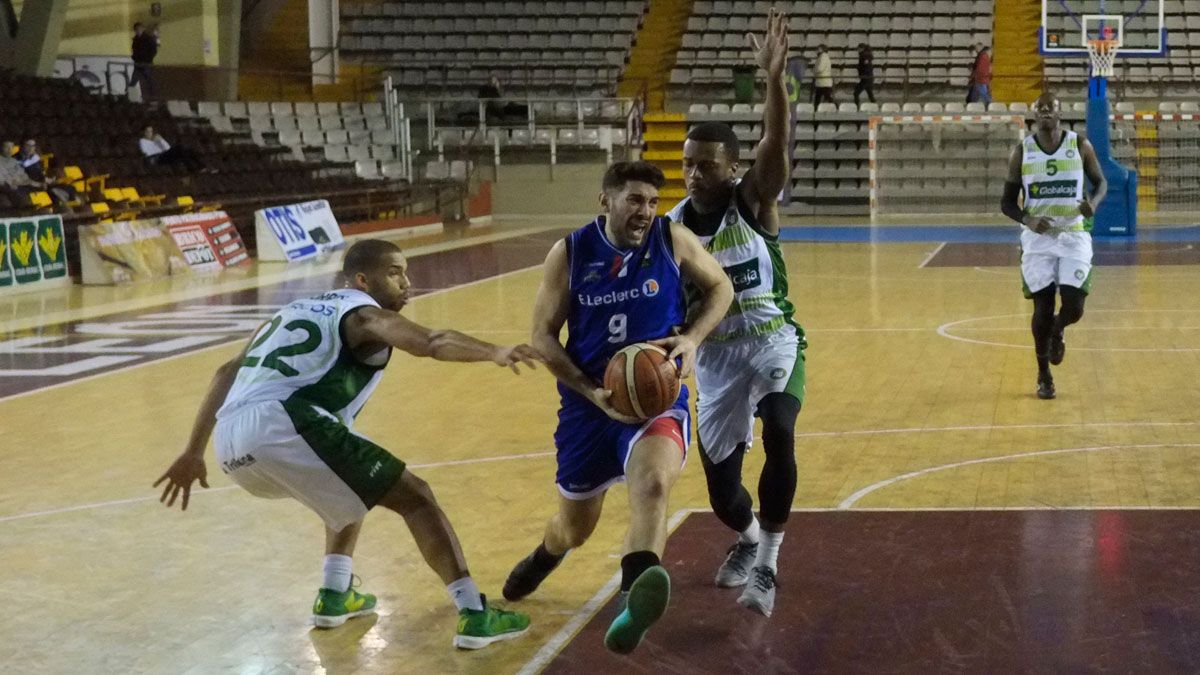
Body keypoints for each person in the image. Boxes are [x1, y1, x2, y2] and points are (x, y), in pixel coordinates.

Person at [153, 239, 540, 649]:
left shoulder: (290, 312)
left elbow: (225, 371)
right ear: (361, 280)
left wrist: (193, 451)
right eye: (395, 273)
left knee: (346, 484)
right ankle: (475, 615)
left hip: (231, 440)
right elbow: (431, 341)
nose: (407, 283)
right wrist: (493, 351)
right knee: (417, 497)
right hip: (283, 420)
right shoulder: (363, 315)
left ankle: (335, 594)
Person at [501, 161, 733, 654]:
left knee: (652, 483)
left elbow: (721, 286)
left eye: (652, 201)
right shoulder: (569, 252)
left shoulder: (672, 239)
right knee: (574, 529)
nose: (645, 211)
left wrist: (691, 338)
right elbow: (541, 336)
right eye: (634, 200)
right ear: (604, 201)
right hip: (588, 405)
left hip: (657, 396)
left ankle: (634, 597)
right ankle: (547, 554)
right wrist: (590, 392)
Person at [665, 8, 806, 618]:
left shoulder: (753, 201)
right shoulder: (668, 231)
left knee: (780, 426)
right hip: (716, 358)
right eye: (689, 163)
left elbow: (776, 144)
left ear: (731, 165)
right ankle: (747, 538)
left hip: (774, 339)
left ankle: (769, 564)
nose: (695, 173)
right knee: (723, 494)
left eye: (707, 164)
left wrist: (774, 80)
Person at [1000, 92, 1107, 399]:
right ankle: (1043, 374)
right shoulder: (1022, 152)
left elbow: (1100, 183)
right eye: (1040, 109)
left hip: (1073, 233)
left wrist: (1094, 203)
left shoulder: (1080, 145)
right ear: (1034, 115)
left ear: (1061, 113)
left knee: (1074, 307)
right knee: (1042, 309)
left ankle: (1059, 328)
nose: (1046, 112)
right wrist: (1027, 220)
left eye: (1051, 108)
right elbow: (1006, 203)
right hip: (1038, 239)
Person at [139, 125, 206, 173]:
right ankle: (192, 169)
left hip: (164, 155)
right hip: (156, 159)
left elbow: (167, 147)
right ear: (144, 132)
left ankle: (199, 166)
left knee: (187, 150)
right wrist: (156, 143)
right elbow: (149, 153)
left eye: (151, 131)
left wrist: (161, 140)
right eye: (148, 131)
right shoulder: (142, 141)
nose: (150, 133)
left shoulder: (156, 139)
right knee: (179, 148)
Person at [130, 22, 159, 101]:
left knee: (149, 82)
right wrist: (134, 58)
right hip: (138, 64)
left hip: (146, 64)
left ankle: (153, 99)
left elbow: (154, 50)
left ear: (142, 29)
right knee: (133, 82)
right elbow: (134, 51)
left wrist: (147, 60)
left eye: (138, 29)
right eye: (136, 30)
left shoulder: (148, 39)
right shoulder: (135, 39)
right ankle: (133, 99)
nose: (137, 31)